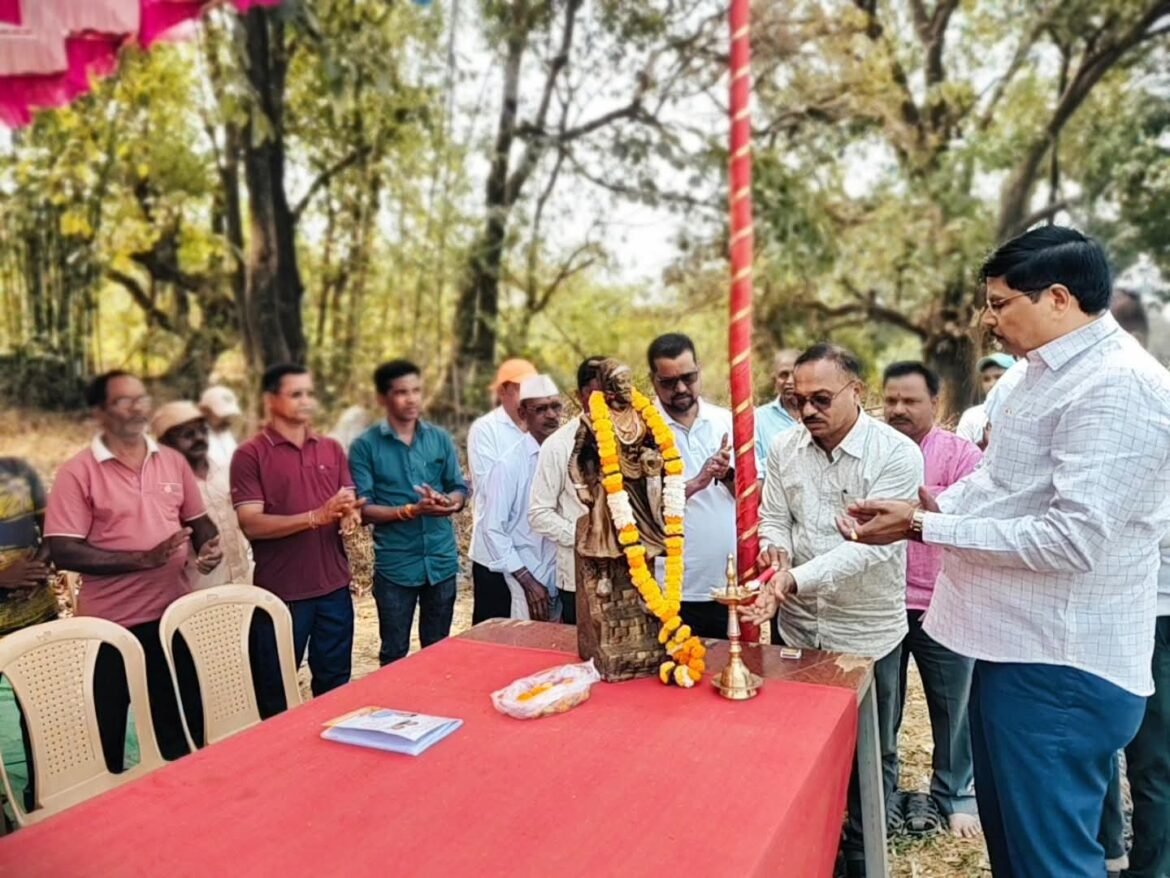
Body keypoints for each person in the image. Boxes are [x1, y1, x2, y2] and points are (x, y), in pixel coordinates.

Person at [843, 226, 1170, 877]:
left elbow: (1071, 539)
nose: (987, 320)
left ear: (1057, 298)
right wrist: (933, 505)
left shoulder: (1119, 386)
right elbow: (998, 485)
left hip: (1063, 662)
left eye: (999, 303)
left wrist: (923, 529)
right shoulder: (1032, 377)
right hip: (1012, 643)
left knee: (1051, 862)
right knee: (1017, 853)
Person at [740, 344, 922, 876]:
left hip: (866, 632)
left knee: (872, 753)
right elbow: (776, 518)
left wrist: (793, 578)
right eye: (799, 400)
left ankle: (866, 858)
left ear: (856, 391)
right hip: (799, 630)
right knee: (805, 752)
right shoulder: (786, 447)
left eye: (821, 399)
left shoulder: (895, 453)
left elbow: (873, 548)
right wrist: (775, 550)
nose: (808, 411)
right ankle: (817, 854)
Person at [45, 371, 222, 766]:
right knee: (104, 738)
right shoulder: (78, 472)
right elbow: (63, 551)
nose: (138, 407)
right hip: (109, 627)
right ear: (99, 413)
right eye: (125, 400)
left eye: (142, 398)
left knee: (183, 734)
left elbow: (199, 522)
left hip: (172, 618)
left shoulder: (172, 462)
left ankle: (184, 798)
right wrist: (142, 560)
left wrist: (209, 547)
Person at [882, 361, 983, 838]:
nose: (898, 409)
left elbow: (973, 507)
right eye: (891, 400)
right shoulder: (872, 448)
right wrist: (926, 503)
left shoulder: (962, 454)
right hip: (881, 600)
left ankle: (954, 794)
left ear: (936, 404)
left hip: (943, 599)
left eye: (910, 401)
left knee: (953, 706)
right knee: (883, 706)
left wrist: (919, 505)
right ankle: (882, 794)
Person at [231, 364, 360, 706]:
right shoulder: (250, 454)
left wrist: (349, 513)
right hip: (283, 592)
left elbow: (347, 497)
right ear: (270, 400)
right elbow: (251, 523)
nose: (306, 401)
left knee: (335, 684)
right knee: (275, 690)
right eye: (295, 394)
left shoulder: (331, 448)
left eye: (310, 393)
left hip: (334, 587)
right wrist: (315, 517)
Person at [1102, 289, 1170, 878]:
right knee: (1107, 748)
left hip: (1155, 612)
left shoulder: (1144, 398)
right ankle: (1114, 855)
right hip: (1118, 607)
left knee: (1152, 761)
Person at [348, 360, 467, 665]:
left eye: (416, 390)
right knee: (394, 651)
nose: (412, 399)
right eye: (402, 392)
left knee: (438, 649)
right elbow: (364, 510)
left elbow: (458, 487)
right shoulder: (365, 446)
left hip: (440, 561)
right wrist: (410, 511)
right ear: (382, 398)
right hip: (396, 565)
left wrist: (449, 503)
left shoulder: (439, 438)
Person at [648, 333, 737, 639]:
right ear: (653, 380)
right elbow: (638, 509)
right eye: (669, 382)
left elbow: (755, 499)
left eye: (688, 377)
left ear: (699, 370)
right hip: (670, 588)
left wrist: (726, 474)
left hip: (728, 585)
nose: (681, 389)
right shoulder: (641, 430)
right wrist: (697, 482)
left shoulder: (727, 421)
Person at [528, 357, 606, 626]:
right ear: (580, 396)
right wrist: (585, 537)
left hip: (631, 573)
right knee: (582, 646)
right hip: (578, 576)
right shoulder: (559, 445)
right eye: (598, 395)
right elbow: (539, 513)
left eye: (614, 395)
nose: (607, 403)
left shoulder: (635, 439)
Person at [482, 375, 565, 622]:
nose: (551, 415)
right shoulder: (508, 464)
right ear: (522, 413)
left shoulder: (569, 454)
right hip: (527, 575)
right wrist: (527, 581)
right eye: (541, 409)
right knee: (529, 639)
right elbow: (493, 529)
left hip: (563, 574)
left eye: (555, 407)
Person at [0, 458, 56, 814]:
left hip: (37, 619)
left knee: (43, 718)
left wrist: (39, 566)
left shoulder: (19, 473)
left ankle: (43, 800)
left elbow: (52, 530)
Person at [152, 401, 253, 589]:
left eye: (202, 431)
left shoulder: (228, 473)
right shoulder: (163, 490)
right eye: (188, 434)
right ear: (165, 444)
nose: (199, 438)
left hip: (245, 582)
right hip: (199, 591)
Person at [467, 358, 538, 624]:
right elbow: (491, 488)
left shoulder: (541, 426)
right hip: (493, 551)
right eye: (520, 389)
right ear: (502, 391)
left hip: (533, 550)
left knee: (532, 631)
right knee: (492, 628)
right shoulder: (486, 429)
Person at [754, 348, 801, 475]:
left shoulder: (819, 414)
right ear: (775, 380)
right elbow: (755, 468)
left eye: (795, 375)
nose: (789, 381)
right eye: (783, 375)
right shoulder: (759, 419)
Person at [954, 353, 1014, 448]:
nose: (991, 384)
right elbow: (962, 452)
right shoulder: (971, 416)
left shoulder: (1029, 413)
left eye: (998, 377)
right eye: (986, 379)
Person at [199, 385, 242, 468]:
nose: (228, 421)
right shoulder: (196, 442)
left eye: (229, 415)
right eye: (223, 416)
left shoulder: (226, 434)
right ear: (205, 411)